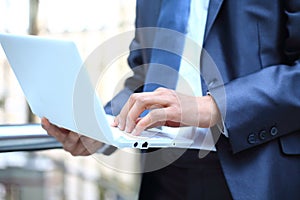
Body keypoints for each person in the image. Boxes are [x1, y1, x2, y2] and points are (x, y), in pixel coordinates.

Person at [42, 0, 300, 199]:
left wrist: (214, 106)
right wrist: (102, 126)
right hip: (164, 173)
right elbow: (145, 74)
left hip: (258, 171)